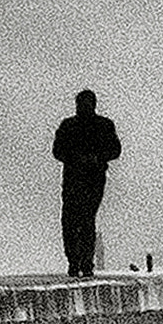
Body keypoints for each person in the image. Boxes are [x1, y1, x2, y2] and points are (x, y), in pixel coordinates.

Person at [51, 89, 121, 278]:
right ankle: (77, 262)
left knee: (82, 220)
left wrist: (95, 158)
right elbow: (57, 151)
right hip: (77, 179)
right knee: (75, 221)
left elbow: (115, 150)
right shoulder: (71, 126)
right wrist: (80, 159)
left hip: (90, 179)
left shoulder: (99, 126)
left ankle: (82, 263)